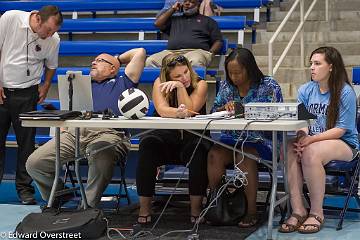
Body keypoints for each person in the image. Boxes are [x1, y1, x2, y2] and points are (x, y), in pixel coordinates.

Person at [26, 48, 147, 208]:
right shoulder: (79, 84)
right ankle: (60, 195)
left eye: (100, 60)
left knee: (100, 152)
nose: (93, 62)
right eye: (93, 60)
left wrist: (117, 58)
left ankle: (87, 208)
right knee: (34, 163)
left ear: (113, 69)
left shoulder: (123, 82)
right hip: (75, 133)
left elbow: (140, 52)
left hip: (110, 134)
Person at [279, 46, 359, 234]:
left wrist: (311, 140)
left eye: (317, 63)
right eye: (311, 64)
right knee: (289, 148)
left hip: (346, 144)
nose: (312, 68)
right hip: (312, 140)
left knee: (311, 152)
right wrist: (301, 137)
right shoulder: (306, 90)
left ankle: (316, 213)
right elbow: (302, 121)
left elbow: (341, 129)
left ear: (331, 67)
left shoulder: (345, 92)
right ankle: (298, 210)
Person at [207, 48, 283, 227]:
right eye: (230, 73)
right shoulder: (226, 86)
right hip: (231, 140)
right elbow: (213, 111)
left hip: (261, 141)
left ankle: (251, 211)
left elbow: (275, 113)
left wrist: (243, 109)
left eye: (238, 72)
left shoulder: (269, 85)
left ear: (249, 69)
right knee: (214, 154)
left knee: (245, 154)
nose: (234, 77)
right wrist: (223, 108)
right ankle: (217, 206)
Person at [136, 53, 211, 224]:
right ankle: (144, 207)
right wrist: (177, 112)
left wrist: (180, 87)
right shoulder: (158, 82)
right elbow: (162, 109)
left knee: (198, 151)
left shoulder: (201, 84)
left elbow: (191, 109)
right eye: (177, 76)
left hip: (193, 136)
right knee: (147, 144)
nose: (184, 77)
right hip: (166, 136)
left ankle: (196, 209)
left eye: (185, 72)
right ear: (167, 76)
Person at [0, 5, 63, 205]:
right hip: (2, 91)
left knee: (26, 145)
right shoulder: (10, 18)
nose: (50, 35)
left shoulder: (53, 39)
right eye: (48, 30)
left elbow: (51, 66)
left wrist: (45, 86)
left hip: (28, 94)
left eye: (54, 31)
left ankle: (24, 189)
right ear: (37, 19)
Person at [146, 0, 223, 68]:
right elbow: (157, 24)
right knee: (151, 61)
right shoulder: (175, 19)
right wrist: (173, 9)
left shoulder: (208, 21)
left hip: (195, 52)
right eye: (185, 1)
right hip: (172, 53)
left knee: (196, 61)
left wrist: (210, 54)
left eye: (191, 1)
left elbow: (218, 41)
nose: (187, 3)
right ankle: (163, 84)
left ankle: (191, 84)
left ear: (198, 3)